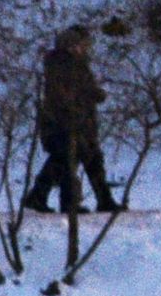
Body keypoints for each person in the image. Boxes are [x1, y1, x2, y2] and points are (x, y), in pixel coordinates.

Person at [25, 26, 117, 217]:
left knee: (85, 159)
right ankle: (70, 202)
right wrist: (85, 101)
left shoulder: (74, 64)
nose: (84, 49)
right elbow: (63, 95)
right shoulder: (63, 65)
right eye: (80, 45)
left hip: (81, 121)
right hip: (66, 122)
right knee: (69, 160)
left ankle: (101, 200)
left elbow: (83, 89)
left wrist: (94, 95)